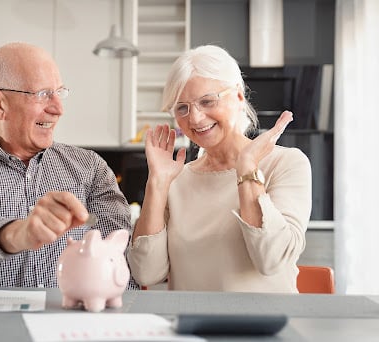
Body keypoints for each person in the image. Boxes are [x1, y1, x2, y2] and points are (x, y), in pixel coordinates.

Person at [0, 42, 137, 289]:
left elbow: (117, 253)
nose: (58, 109)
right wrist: (20, 233)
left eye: (59, 92)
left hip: (70, 321)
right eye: (42, 94)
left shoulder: (90, 168)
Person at [127, 45, 312, 293]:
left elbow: (272, 259)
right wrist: (157, 183)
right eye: (182, 107)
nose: (194, 118)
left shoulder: (287, 164)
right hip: (190, 327)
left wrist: (246, 167)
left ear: (238, 96)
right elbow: (146, 273)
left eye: (207, 101)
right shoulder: (176, 179)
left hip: (265, 328)